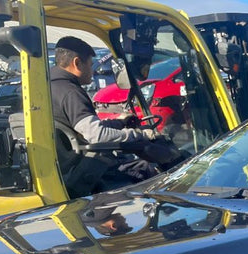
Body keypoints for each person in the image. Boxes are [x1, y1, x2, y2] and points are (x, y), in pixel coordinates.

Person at [49, 36, 175, 195]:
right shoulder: (71, 92)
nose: (93, 70)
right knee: (147, 169)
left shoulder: (50, 87)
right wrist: (141, 134)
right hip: (87, 171)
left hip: (67, 167)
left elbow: (83, 129)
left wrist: (119, 123)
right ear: (77, 63)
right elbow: (98, 136)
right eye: (89, 64)